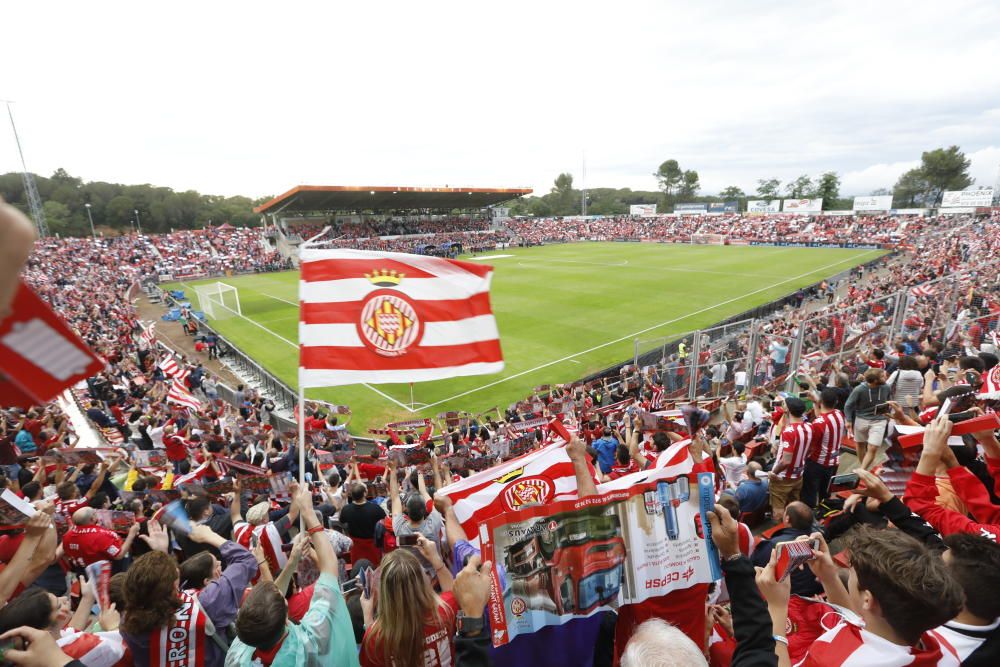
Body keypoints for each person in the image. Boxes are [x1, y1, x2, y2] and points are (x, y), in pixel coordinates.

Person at [779, 528, 963, 666]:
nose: (844, 570)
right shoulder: (941, 647)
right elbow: (859, 618)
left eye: (850, 571)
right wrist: (828, 576)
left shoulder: (833, 659)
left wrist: (777, 608)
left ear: (868, 599)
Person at [225, 486, 360, 666]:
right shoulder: (311, 643)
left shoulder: (238, 653)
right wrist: (308, 514)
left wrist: (291, 563)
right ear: (285, 611)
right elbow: (329, 568)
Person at [120, 524, 257, 667]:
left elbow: (156, 593)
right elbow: (246, 560)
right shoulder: (208, 602)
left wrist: (162, 554)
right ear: (174, 586)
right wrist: (209, 536)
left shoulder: (128, 622)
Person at [359, 544, 457, 667]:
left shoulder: (375, 638)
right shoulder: (445, 610)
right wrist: (436, 560)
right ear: (423, 581)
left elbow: (372, 656)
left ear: (385, 593)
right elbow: (452, 592)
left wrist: (368, 619)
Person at [801, 387, 847, 508]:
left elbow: (811, 447)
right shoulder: (839, 413)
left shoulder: (818, 423)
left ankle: (810, 516)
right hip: (834, 462)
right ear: (836, 402)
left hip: (818, 463)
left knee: (809, 493)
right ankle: (824, 514)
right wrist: (816, 402)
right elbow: (822, 415)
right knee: (825, 493)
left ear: (822, 402)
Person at [768, 397, 809, 516]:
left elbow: (786, 461)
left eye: (784, 404)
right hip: (798, 475)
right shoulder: (808, 427)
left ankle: (780, 530)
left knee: (778, 511)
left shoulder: (789, 432)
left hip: (782, 477)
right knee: (793, 506)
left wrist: (774, 472)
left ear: (788, 409)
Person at [62, 507, 140, 570]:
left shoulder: (67, 536)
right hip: (107, 574)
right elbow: (119, 555)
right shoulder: (101, 536)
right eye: (95, 514)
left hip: (83, 571)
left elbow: (66, 555)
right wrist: (131, 534)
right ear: (92, 519)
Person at [844, 367, 891, 471]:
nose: (886, 377)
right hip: (861, 419)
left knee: (873, 447)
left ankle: (862, 470)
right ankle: (865, 468)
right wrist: (848, 420)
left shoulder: (886, 387)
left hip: (879, 420)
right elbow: (848, 405)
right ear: (875, 381)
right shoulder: (859, 390)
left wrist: (888, 414)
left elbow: (888, 401)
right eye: (883, 376)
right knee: (860, 445)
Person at [339, 481, 387, 566]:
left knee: (357, 568)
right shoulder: (375, 509)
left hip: (355, 545)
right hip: (372, 545)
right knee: (375, 567)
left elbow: (341, 520)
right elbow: (385, 521)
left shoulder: (346, 509)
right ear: (365, 493)